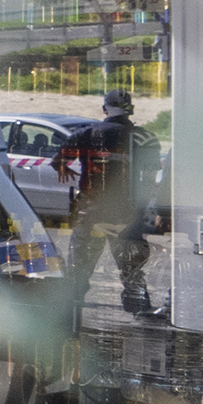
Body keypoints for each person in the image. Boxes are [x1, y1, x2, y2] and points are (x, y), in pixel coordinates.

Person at [61, 89, 161, 319]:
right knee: (131, 269)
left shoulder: (88, 133)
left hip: (91, 213)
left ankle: (69, 311)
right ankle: (140, 310)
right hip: (126, 215)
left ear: (104, 109)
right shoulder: (145, 138)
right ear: (131, 110)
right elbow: (149, 182)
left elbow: (64, 160)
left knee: (78, 267)